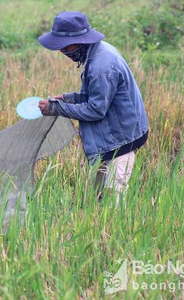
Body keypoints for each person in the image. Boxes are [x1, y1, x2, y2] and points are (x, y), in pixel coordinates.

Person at [37, 11, 148, 206]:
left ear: (80, 41)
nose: (62, 51)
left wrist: (56, 108)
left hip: (121, 138)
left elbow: (96, 110)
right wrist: (68, 98)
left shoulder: (101, 66)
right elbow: (99, 96)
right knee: (100, 191)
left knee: (115, 194)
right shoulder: (98, 51)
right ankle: (99, 223)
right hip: (113, 131)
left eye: (64, 46)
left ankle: (114, 230)